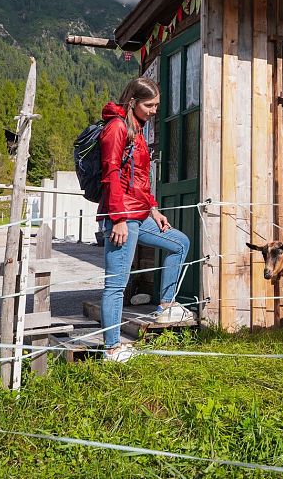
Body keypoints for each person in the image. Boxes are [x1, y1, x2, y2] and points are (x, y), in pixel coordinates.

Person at [98, 77, 193, 362]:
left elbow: (139, 178)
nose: (154, 110)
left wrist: (153, 209)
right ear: (132, 102)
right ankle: (112, 348)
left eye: (156, 106)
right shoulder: (116, 129)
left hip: (139, 214)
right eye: (149, 105)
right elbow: (110, 174)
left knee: (179, 242)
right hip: (122, 218)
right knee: (116, 283)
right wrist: (117, 219)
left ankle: (166, 304)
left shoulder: (136, 129)